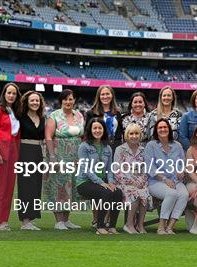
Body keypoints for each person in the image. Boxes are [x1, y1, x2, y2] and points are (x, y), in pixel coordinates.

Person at [44, 89, 85, 230]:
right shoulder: (54, 116)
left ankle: (67, 220)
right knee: (58, 187)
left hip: (75, 158)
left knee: (72, 187)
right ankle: (58, 221)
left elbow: (82, 136)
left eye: (71, 99)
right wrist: (52, 157)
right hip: (58, 156)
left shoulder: (79, 115)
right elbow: (49, 137)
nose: (68, 102)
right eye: (65, 99)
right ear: (61, 101)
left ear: (74, 101)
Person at [77, 118, 124, 235]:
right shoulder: (84, 146)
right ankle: (100, 226)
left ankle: (112, 226)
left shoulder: (107, 148)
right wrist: (101, 182)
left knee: (117, 192)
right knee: (106, 192)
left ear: (104, 130)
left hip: (100, 182)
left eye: (100, 128)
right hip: (84, 182)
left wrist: (111, 182)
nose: (97, 130)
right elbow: (85, 168)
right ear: (90, 130)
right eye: (95, 128)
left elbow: (109, 169)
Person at [145, 118, 189, 234]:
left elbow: (182, 163)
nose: (163, 129)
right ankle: (161, 226)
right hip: (156, 182)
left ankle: (170, 226)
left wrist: (181, 171)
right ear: (156, 130)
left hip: (175, 181)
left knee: (184, 194)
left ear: (169, 130)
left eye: (165, 127)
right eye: (160, 128)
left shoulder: (177, 145)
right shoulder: (151, 145)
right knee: (172, 193)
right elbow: (150, 168)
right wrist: (165, 179)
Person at [0, 83, 21, 231]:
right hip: (0, 151)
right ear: (4, 94)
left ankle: (4, 220)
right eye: (9, 93)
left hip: (13, 151)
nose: (11, 95)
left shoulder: (14, 111)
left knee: (9, 188)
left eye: (14, 93)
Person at [114, 124, 152, 234]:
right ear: (127, 135)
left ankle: (140, 225)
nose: (134, 136)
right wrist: (132, 182)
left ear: (140, 135)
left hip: (140, 182)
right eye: (131, 133)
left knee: (144, 192)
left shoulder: (143, 150)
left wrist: (142, 181)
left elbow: (146, 169)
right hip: (124, 182)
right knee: (134, 193)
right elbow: (117, 170)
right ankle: (129, 224)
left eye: (136, 133)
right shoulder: (120, 149)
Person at [16, 91, 45, 230]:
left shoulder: (42, 118)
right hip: (24, 152)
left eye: (37, 101)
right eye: (32, 100)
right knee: (25, 186)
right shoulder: (20, 117)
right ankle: (25, 221)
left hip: (38, 153)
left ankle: (31, 219)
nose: (35, 103)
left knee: (36, 186)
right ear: (27, 102)